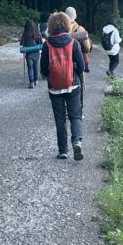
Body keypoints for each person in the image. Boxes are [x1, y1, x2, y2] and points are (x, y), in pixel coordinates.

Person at [40, 11, 85, 161]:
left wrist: (49, 75)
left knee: (60, 119)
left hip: (54, 87)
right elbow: (81, 65)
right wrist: (76, 76)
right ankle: (77, 141)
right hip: (72, 85)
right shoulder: (73, 42)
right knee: (75, 116)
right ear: (67, 25)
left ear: (51, 26)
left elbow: (43, 69)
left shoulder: (47, 44)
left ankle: (63, 151)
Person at [65, 6, 91, 115]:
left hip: (63, 62)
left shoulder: (58, 28)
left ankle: (66, 109)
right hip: (76, 62)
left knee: (65, 85)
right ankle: (78, 111)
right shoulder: (79, 29)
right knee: (79, 85)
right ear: (75, 16)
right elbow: (87, 48)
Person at [20, 18, 42, 88]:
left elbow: (21, 43)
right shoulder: (37, 32)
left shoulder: (25, 33)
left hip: (28, 53)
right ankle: (36, 80)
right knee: (35, 66)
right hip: (36, 52)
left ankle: (31, 82)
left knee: (30, 67)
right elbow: (41, 42)